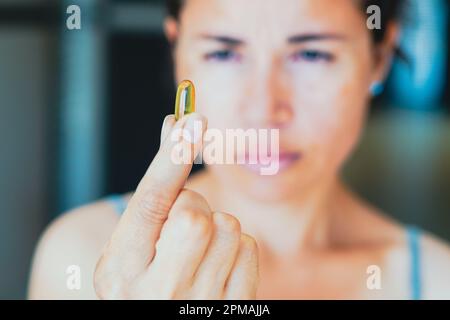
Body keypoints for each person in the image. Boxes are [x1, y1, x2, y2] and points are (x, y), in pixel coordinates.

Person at [28, 0, 450, 299]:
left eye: (312, 53)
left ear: (378, 57)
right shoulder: (81, 255)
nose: (264, 109)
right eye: (224, 52)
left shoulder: (437, 282)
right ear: (177, 51)